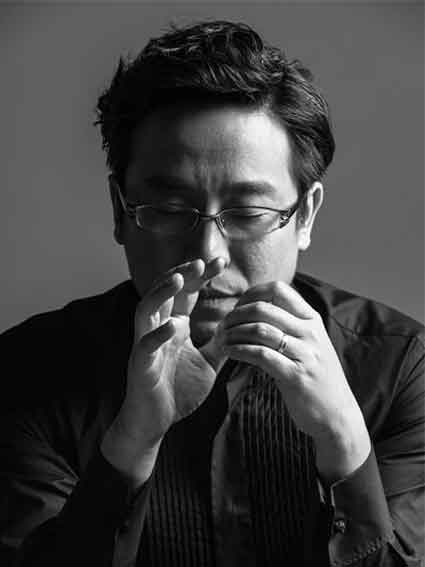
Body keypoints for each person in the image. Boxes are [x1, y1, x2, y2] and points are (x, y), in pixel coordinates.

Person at [0, 19, 423, 567]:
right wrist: (130, 444)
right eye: (169, 209)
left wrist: (344, 442)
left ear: (305, 216)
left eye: (248, 212)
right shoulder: (25, 373)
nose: (208, 253)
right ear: (119, 212)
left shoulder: (400, 369)